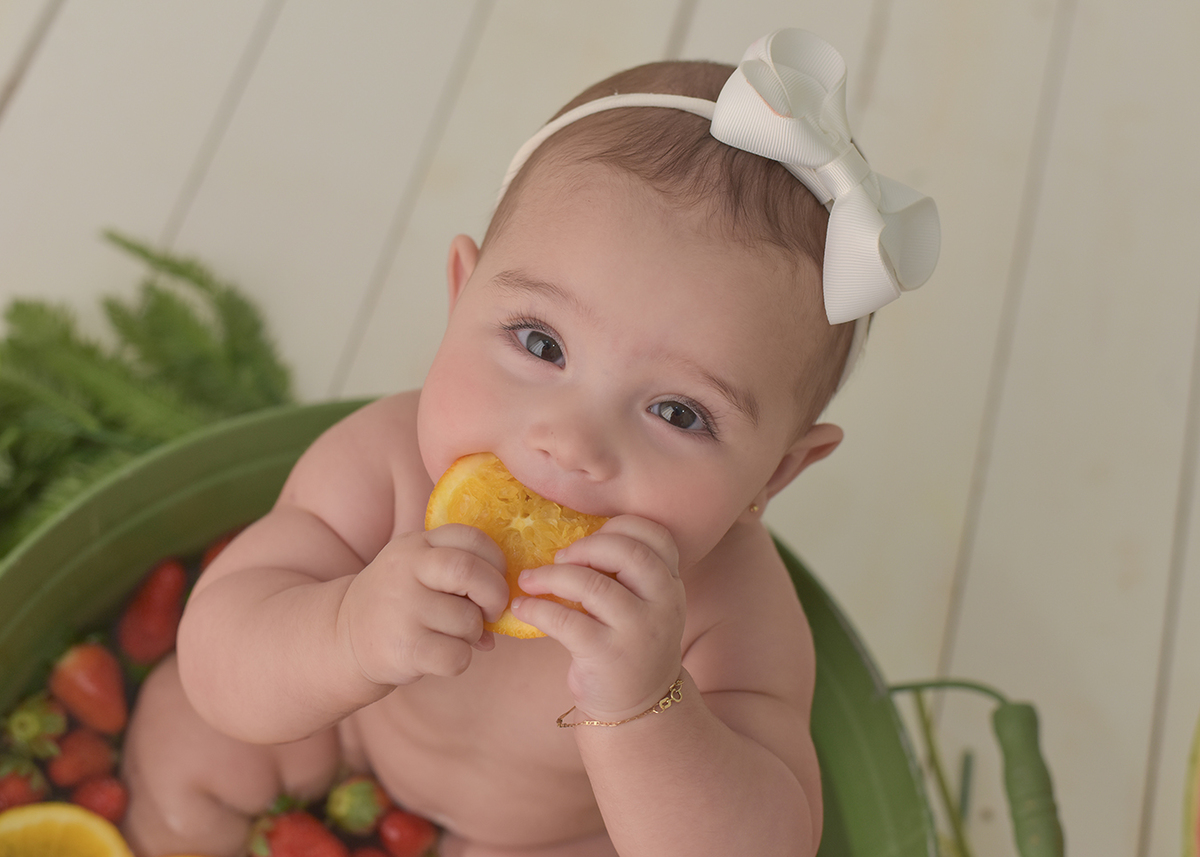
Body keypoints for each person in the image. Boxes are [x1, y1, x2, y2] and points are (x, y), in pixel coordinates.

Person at [120, 28, 939, 857]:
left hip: (546, 837)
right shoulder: (381, 467)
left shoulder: (733, 608)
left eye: (679, 413)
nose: (571, 443)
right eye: (541, 344)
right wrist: (347, 630)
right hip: (342, 732)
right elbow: (218, 659)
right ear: (460, 295)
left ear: (777, 473)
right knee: (187, 733)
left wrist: (646, 706)